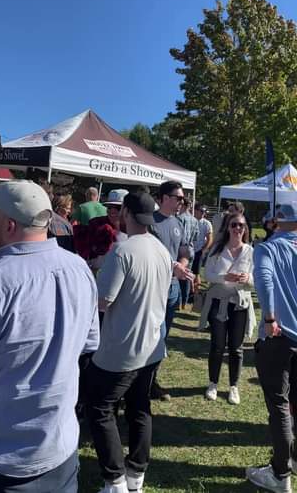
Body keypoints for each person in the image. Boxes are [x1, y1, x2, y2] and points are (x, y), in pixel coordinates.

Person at [0, 180, 100, 493]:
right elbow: (89, 343)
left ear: (9, 225)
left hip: (5, 456)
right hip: (60, 446)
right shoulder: (78, 268)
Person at [86, 191, 172, 493]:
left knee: (99, 408)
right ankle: (136, 474)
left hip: (122, 349)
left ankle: (115, 480)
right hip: (151, 346)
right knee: (138, 407)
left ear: (126, 212)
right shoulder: (161, 250)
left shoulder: (122, 251)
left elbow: (103, 301)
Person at [246, 203, 297, 493]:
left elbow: (264, 280)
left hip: (279, 336)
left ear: (276, 221)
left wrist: (269, 317)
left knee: (279, 405)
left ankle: (280, 473)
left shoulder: (268, 248)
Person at [201, 212, 255, 405]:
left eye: (241, 225)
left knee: (236, 348)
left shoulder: (250, 251)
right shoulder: (217, 248)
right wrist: (225, 277)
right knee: (217, 346)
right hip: (219, 302)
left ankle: (233, 386)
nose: (238, 229)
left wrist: (247, 279)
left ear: (246, 229)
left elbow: (256, 280)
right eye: (234, 225)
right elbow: (207, 274)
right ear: (228, 227)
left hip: (240, 304)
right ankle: (213, 383)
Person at [150, 180, 193, 400]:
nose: (182, 202)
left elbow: (185, 250)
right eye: (178, 198)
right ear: (165, 198)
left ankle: (152, 380)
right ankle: (143, 381)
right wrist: (172, 267)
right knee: (150, 335)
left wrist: (181, 266)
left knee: (163, 336)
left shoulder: (178, 223)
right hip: (153, 289)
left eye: (183, 199)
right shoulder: (150, 222)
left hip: (172, 289)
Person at [177, 198, 199, 308]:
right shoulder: (194, 220)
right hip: (191, 250)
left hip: (182, 250)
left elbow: (181, 237)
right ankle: (184, 302)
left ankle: (179, 301)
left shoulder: (179, 219)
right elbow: (196, 237)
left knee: (179, 276)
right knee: (187, 276)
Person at [192, 204, 213, 286]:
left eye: (204, 212)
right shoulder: (190, 220)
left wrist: (203, 250)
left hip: (199, 251)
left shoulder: (206, 223)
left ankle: (196, 294)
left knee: (197, 273)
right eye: (201, 211)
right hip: (188, 250)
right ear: (195, 210)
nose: (203, 214)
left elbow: (210, 239)